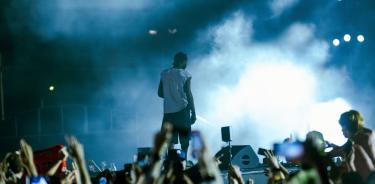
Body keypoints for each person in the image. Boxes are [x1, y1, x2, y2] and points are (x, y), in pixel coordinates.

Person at [158, 51, 196, 159]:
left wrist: (171, 97)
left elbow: (160, 93)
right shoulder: (185, 74)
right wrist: (193, 112)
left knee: (170, 142)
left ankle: (171, 165)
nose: (186, 64)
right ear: (182, 61)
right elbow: (189, 94)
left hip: (168, 113)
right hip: (182, 111)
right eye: (185, 62)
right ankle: (183, 162)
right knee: (184, 143)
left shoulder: (164, 73)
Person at [329, 110, 375, 180]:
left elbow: (342, 150)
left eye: (343, 126)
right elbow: (343, 148)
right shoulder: (359, 137)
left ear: (349, 125)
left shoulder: (363, 136)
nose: (342, 130)